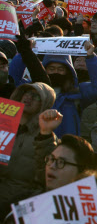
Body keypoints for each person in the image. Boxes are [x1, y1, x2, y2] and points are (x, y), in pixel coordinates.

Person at [0, 83, 57, 216]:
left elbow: (44, 176)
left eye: (36, 96)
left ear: (44, 104)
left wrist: (45, 135)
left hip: (19, 205)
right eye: (27, 93)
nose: (29, 97)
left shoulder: (45, 136)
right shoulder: (3, 123)